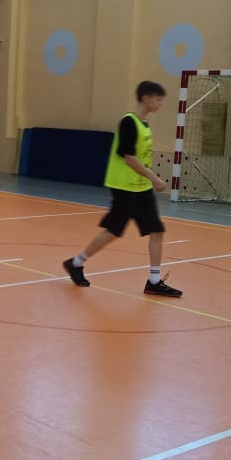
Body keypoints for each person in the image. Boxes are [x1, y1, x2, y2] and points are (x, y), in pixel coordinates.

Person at [62, 80, 182, 297]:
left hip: (141, 188)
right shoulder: (128, 122)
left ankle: (154, 281)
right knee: (114, 231)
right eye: (158, 99)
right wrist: (154, 178)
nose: (160, 104)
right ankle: (76, 263)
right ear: (146, 98)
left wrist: (148, 180)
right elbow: (129, 158)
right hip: (124, 187)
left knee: (157, 230)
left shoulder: (144, 125)